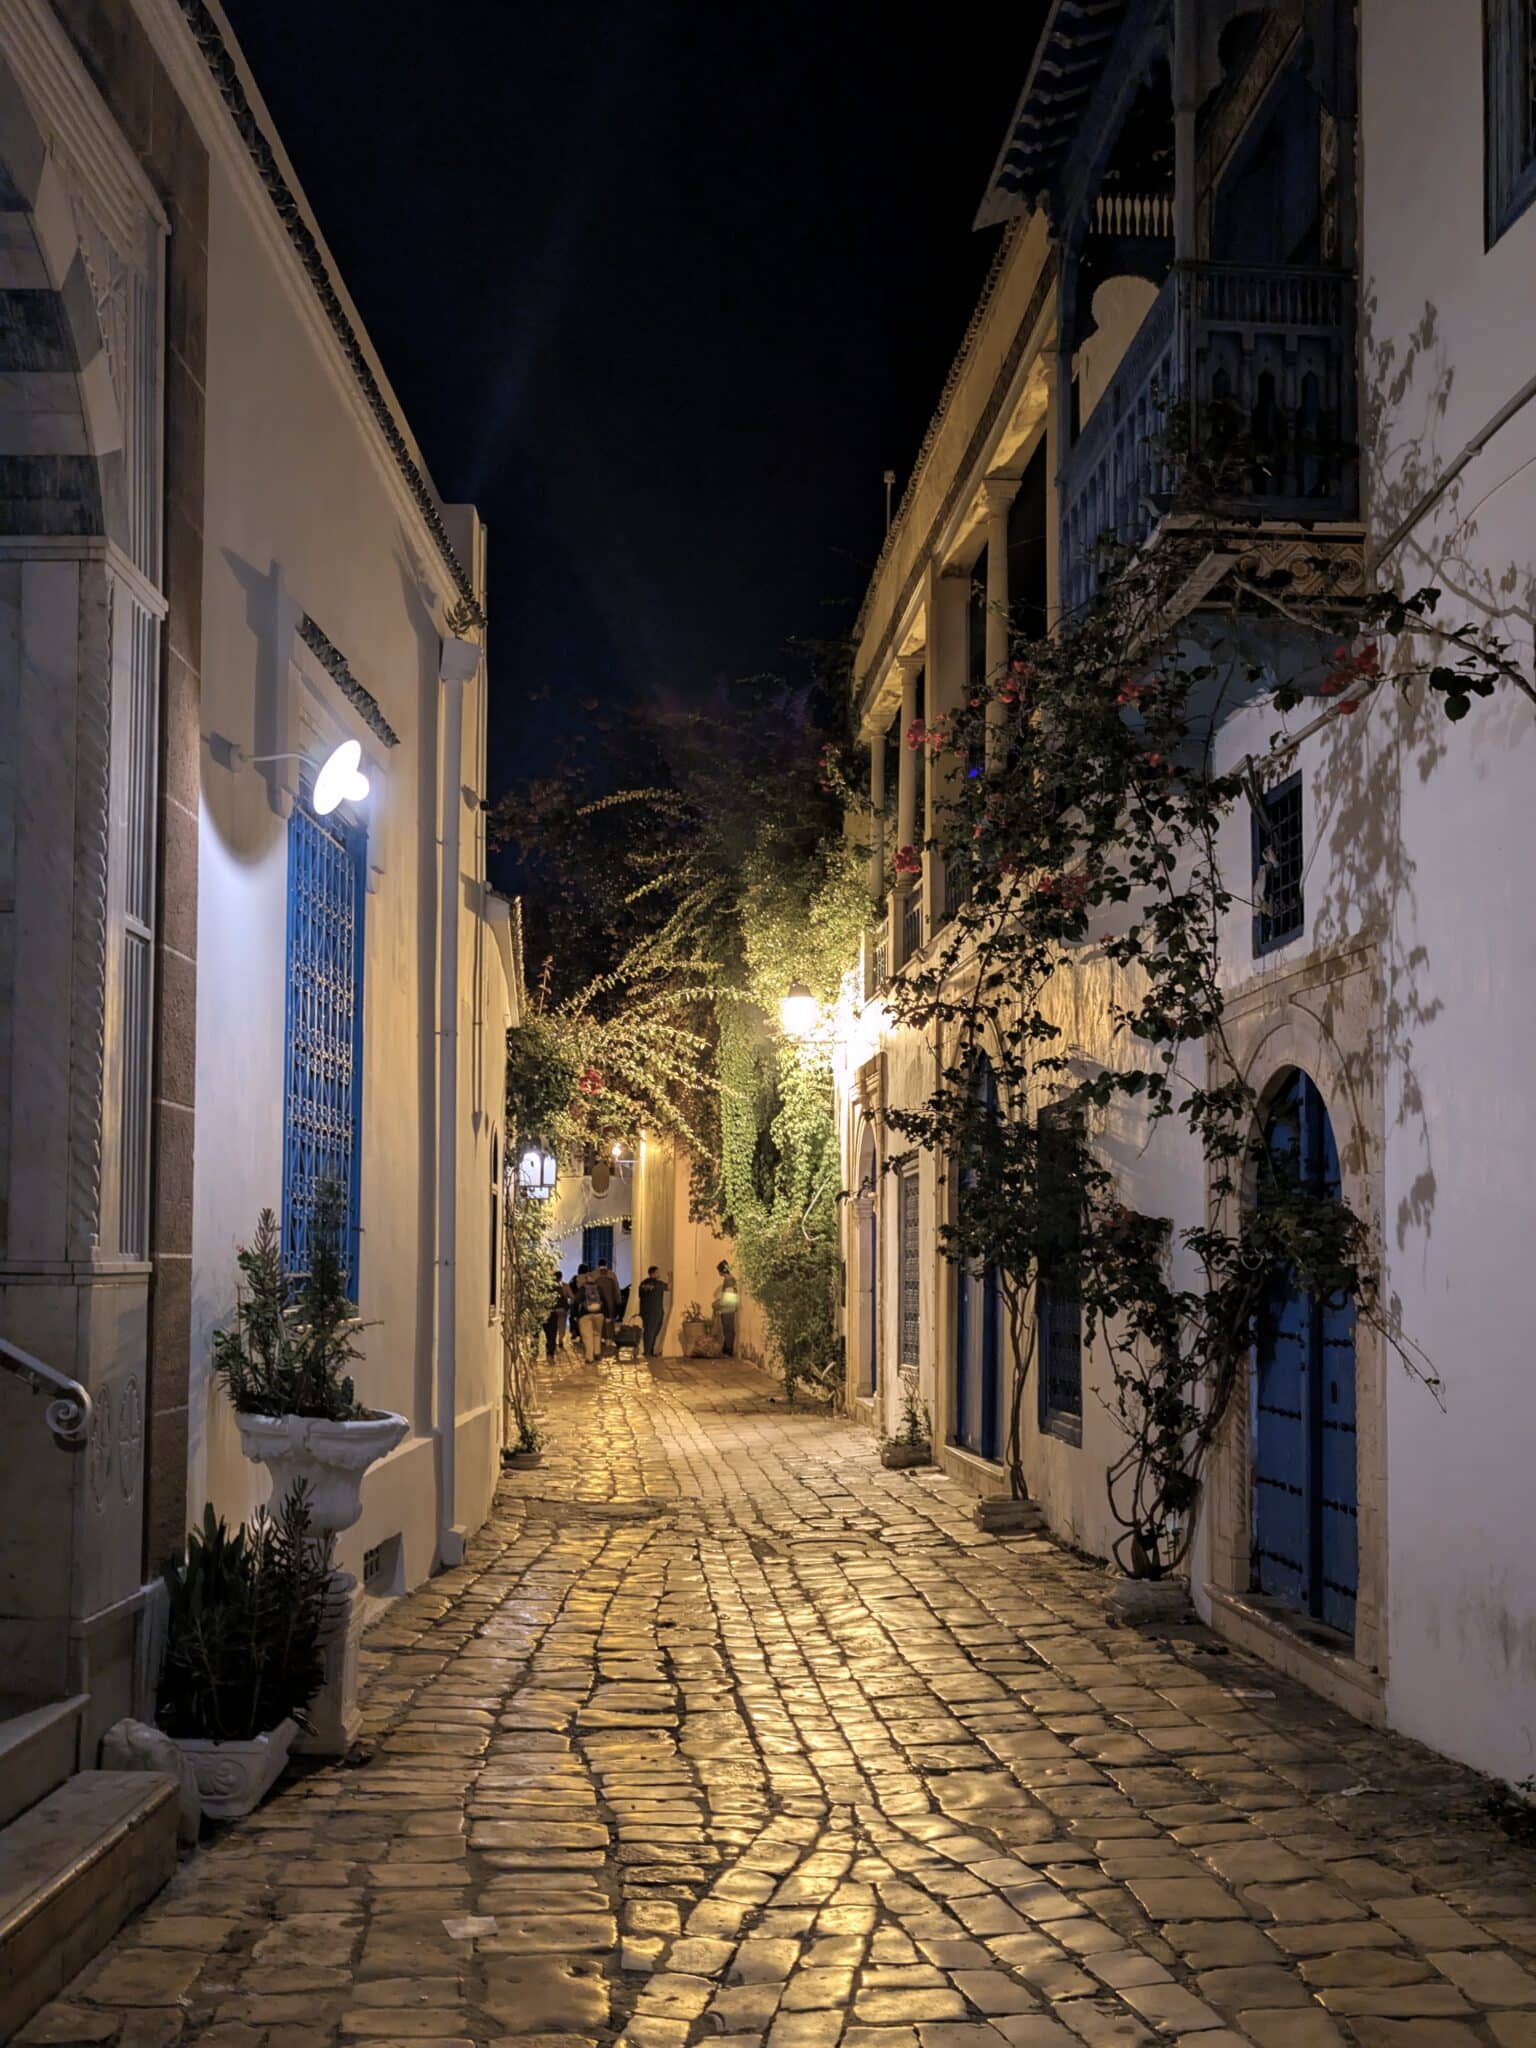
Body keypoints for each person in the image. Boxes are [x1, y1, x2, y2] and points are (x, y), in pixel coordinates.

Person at [574, 1265, 607, 1364]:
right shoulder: (599, 1288)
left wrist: (575, 1315)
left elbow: (576, 1301)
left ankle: (589, 1357)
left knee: (587, 1336)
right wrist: (607, 1315)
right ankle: (597, 1352)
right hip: (599, 1314)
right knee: (597, 1334)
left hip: (586, 1314)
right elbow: (605, 1301)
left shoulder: (583, 1289)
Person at [637, 1266, 669, 1358]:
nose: (659, 1274)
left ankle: (648, 1351)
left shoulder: (643, 1283)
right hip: (655, 1311)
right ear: (653, 1273)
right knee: (653, 1331)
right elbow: (669, 1287)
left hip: (645, 1311)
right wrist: (671, 1276)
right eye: (657, 1272)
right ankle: (648, 1352)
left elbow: (640, 1295)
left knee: (647, 1331)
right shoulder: (658, 1284)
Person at [713, 1259, 740, 1357]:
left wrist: (720, 1305)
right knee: (728, 1328)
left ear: (721, 1270)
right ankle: (727, 1348)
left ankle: (728, 1350)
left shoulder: (728, 1280)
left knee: (728, 1328)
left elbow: (729, 1295)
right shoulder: (730, 1279)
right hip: (730, 1306)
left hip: (728, 1307)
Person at [594, 1260, 622, 1343]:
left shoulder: (594, 1275)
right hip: (610, 1302)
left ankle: (600, 1337)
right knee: (610, 1319)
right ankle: (609, 1337)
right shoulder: (612, 1275)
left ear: (598, 1265)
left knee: (599, 1319)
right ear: (606, 1265)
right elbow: (616, 1289)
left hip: (598, 1302)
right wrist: (618, 1300)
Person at [544, 1273, 568, 1360]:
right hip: (561, 1310)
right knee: (560, 1326)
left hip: (549, 1311)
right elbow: (571, 1296)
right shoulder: (564, 1286)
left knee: (550, 1332)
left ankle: (550, 1349)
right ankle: (560, 1340)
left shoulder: (547, 1287)